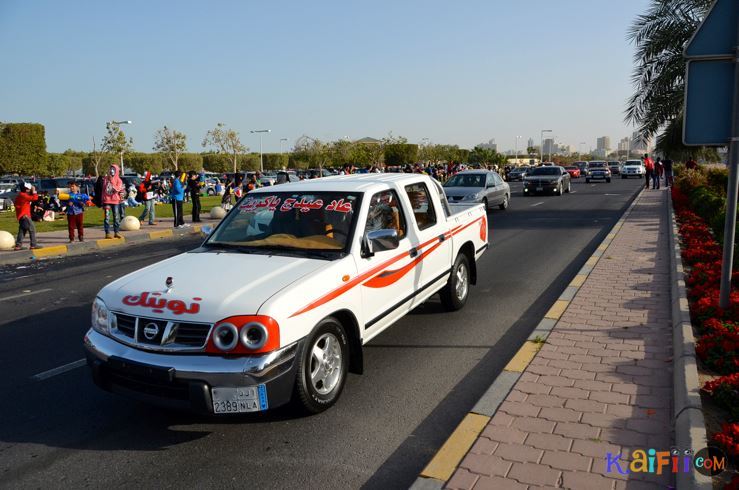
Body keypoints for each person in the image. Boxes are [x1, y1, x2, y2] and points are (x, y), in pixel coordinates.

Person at [14, 183, 41, 250]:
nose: (29, 189)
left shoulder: (20, 195)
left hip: (21, 216)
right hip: (25, 216)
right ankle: (33, 245)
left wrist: (31, 191)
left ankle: (18, 245)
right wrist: (34, 190)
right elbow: (35, 198)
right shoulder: (23, 196)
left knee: (22, 231)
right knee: (32, 229)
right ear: (25, 189)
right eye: (28, 188)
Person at [102, 164, 125, 239]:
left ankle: (116, 232)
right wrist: (102, 199)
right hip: (107, 201)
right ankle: (107, 233)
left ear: (117, 171)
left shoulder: (119, 180)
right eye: (111, 169)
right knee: (107, 217)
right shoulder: (105, 179)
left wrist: (111, 180)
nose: (111, 171)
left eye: (113, 169)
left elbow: (117, 189)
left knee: (116, 217)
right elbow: (104, 190)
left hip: (115, 201)